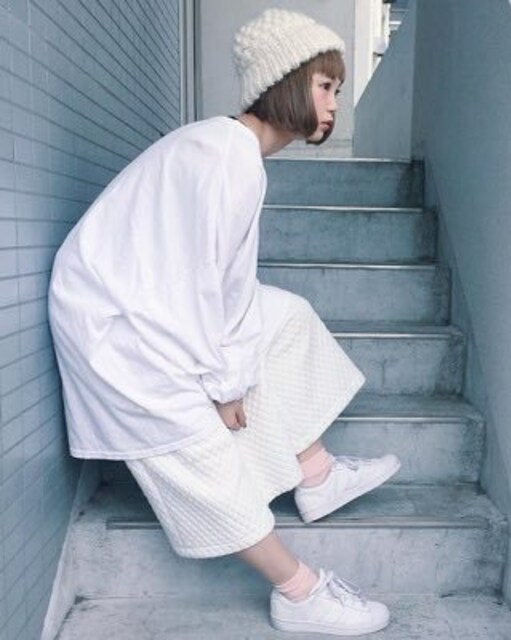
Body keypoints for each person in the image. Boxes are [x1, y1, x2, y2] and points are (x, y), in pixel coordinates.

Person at [48, 8, 400, 636]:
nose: (334, 103)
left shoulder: (230, 148)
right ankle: (299, 593)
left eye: (337, 89)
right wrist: (224, 384)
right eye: (324, 86)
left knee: (284, 315)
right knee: (201, 451)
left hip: (143, 305)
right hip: (113, 328)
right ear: (284, 82)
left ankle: (315, 473)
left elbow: (214, 284)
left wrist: (230, 376)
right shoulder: (226, 155)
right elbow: (203, 283)